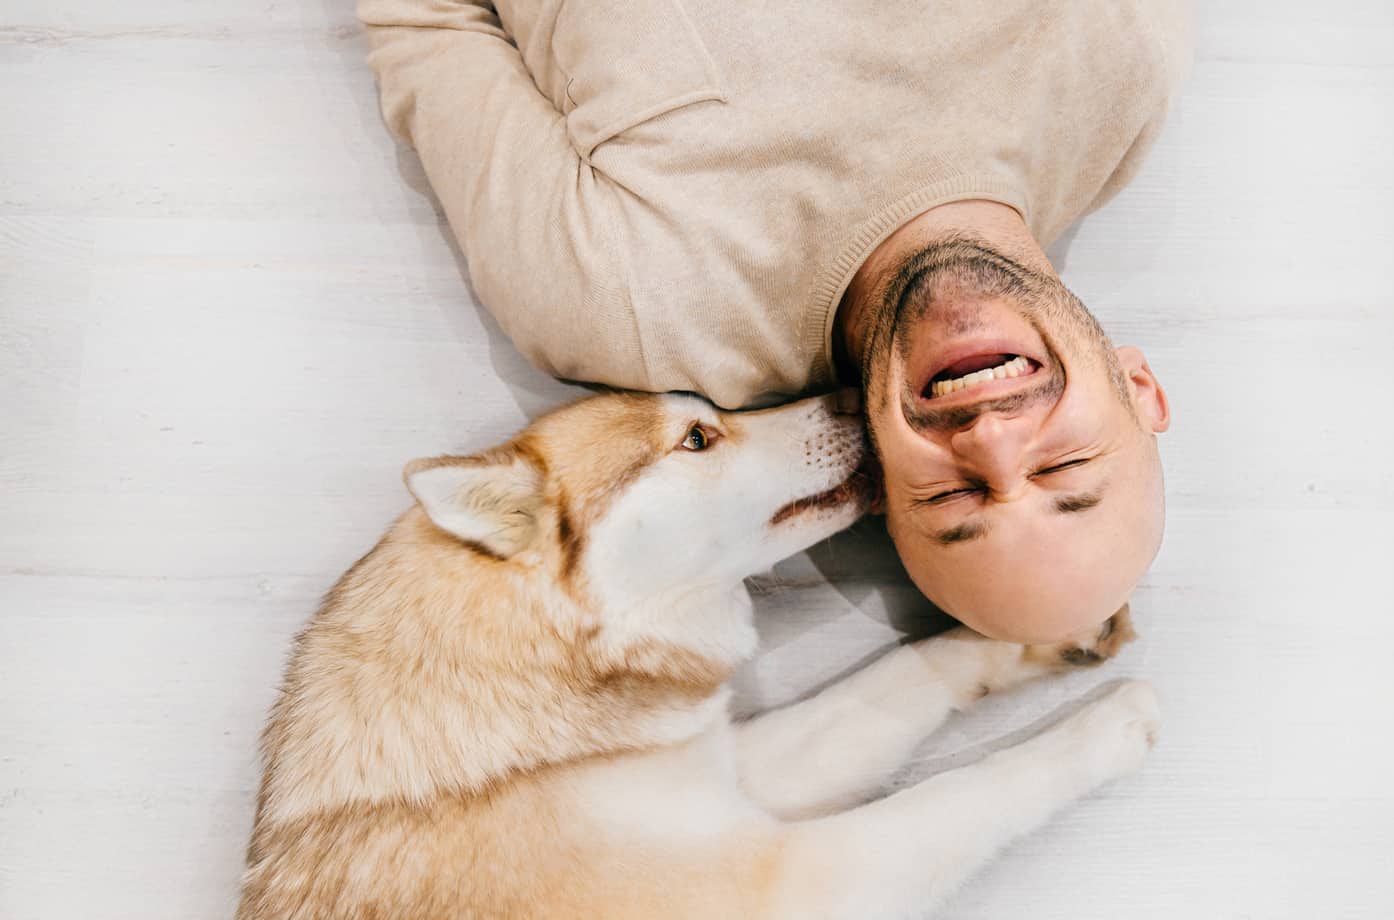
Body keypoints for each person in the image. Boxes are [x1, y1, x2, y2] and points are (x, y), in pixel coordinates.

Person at [357, 0, 1188, 643]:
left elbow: (425, 18)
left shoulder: (632, 305)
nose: (994, 441)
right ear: (1139, 386)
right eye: (1066, 465)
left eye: (953, 495)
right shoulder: (1116, 56)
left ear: (873, 482)